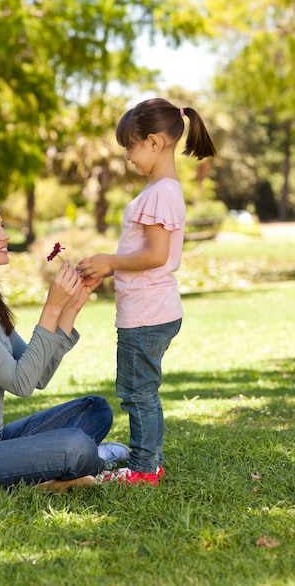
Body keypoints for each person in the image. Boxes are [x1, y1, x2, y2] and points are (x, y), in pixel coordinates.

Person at [0, 195, 129, 491]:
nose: (5, 235)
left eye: (2, 226)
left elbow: (38, 375)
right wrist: (50, 308)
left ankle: (54, 471)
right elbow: (21, 383)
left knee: (95, 409)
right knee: (76, 446)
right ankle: (80, 463)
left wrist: (68, 310)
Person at [77, 98, 217, 486]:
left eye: (130, 147)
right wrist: (106, 266)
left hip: (147, 312)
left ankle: (142, 470)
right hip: (152, 308)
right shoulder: (163, 190)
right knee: (141, 390)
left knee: (138, 392)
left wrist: (110, 261)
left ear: (154, 143)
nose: (127, 158)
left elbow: (156, 255)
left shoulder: (159, 193)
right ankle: (149, 464)